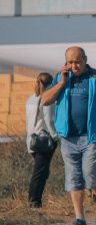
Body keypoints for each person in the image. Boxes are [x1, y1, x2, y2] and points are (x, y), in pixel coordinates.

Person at [40, 46, 96, 225]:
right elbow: (45, 100)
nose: (74, 66)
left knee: (90, 173)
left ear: (85, 60)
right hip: (68, 137)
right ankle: (79, 218)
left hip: (92, 136)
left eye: (77, 62)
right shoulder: (61, 78)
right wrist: (62, 83)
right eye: (70, 62)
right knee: (73, 177)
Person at [25, 72, 59, 208]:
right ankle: (34, 201)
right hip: (44, 140)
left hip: (31, 140)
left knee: (42, 171)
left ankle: (35, 200)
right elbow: (49, 120)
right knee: (40, 173)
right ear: (51, 84)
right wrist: (56, 137)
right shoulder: (47, 99)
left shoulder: (30, 99)